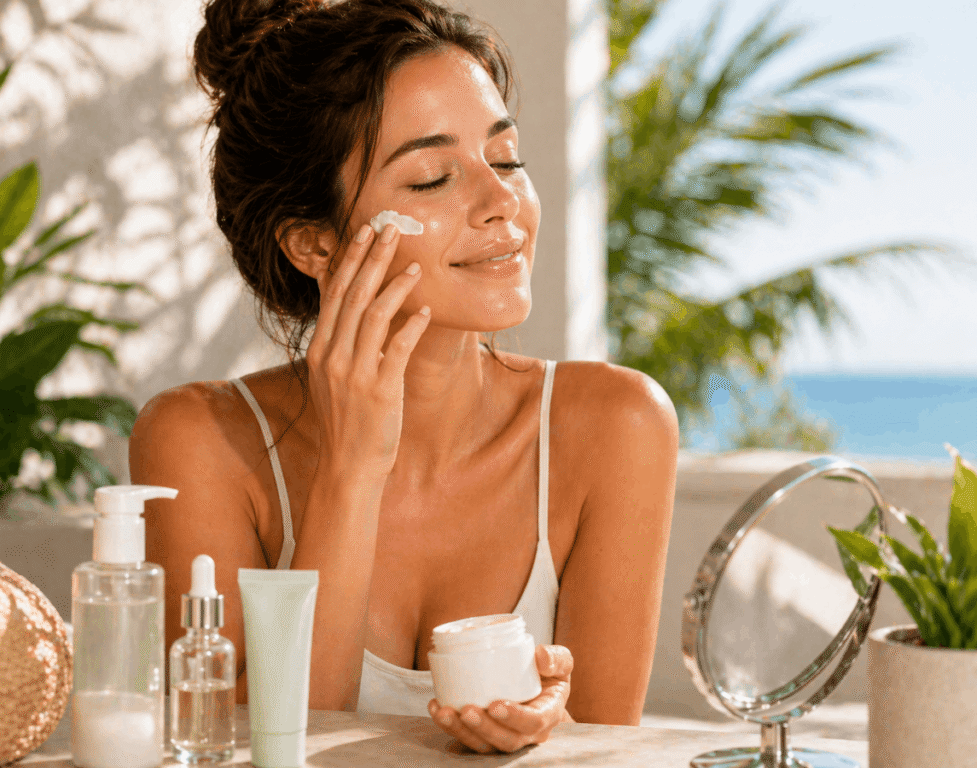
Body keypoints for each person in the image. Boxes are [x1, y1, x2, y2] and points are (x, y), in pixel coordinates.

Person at [129, 0, 678, 754]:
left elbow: (611, 753)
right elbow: (260, 750)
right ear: (314, 245)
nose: (502, 204)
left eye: (507, 157)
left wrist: (550, 732)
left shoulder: (616, 426)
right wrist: (353, 469)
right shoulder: (201, 442)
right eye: (431, 178)